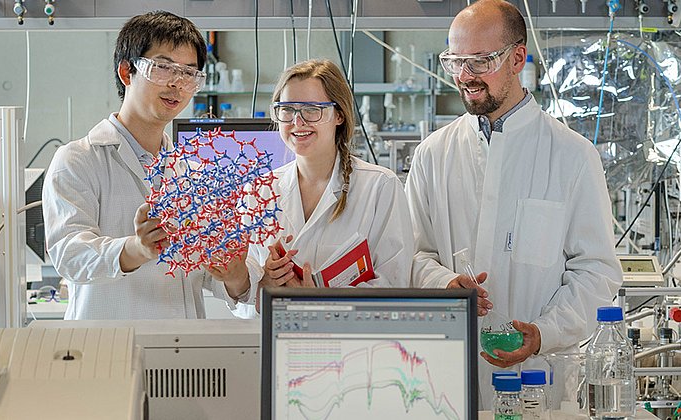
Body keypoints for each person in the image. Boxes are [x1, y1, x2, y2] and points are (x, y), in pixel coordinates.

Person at [404, 0, 623, 406]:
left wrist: (543, 332)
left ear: (517, 58)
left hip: (538, 380)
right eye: (455, 62)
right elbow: (412, 255)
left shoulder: (572, 156)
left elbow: (596, 272)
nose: (465, 76)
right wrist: (444, 283)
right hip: (447, 377)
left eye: (481, 61)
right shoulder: (433, 154)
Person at [42, 11, 250, 319]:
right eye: (163, 68)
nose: (177, 84)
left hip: (185, 353)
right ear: (127, 72)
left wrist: (235, 273)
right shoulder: (78, 160)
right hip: (108, 351)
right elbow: (70, 256)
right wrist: (137, 249)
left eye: (189, 73)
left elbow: (212, 276)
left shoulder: (195, 174)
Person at [231, 59, 413, 315]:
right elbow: (241, 295)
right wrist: (264, 283)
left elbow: (395, 286)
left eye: (312, 109)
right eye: (287, 109)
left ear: (339, 115)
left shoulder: (380, 187)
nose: (298, 122)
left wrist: (322, 301)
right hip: (270, 340)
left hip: (347, 344)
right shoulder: (258, 191)